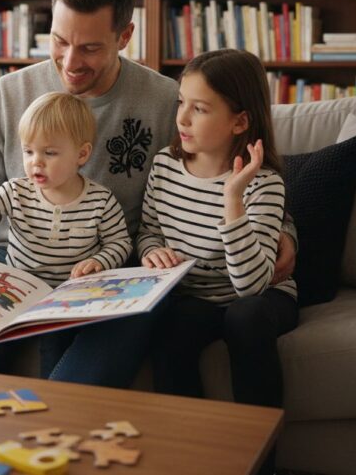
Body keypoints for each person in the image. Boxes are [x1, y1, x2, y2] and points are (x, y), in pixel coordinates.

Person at [0, 0, 296, 386]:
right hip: (17, 255)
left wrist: (283, 230)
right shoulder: (11, 94)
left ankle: (53, 427)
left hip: (114, 266)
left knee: (144, 321)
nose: (70, 62)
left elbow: (232, 165)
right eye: (60, 41)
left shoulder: (165, 101)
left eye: (89, 48)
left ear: (124, 37)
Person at [139, 49, 298, 474]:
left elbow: (251, 285)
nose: (183, 119)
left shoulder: (264, 185)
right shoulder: (165, 166)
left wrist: (232, 198)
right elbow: (149, 229)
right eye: (181, 104)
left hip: (261, 296)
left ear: (240, 121)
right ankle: (191, 457)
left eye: (200, 108)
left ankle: (261, 460)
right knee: (171, 328)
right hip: (197, 296)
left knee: (244, 317)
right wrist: (151, 250)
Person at [0, 91, 132, 282]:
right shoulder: (15, 192)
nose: (35, 162)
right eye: (28, 151)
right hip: (17, 284)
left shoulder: (101, 201)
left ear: (82, 154)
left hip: (74, 292)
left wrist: (100, 261)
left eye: (49, 153)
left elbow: (120, 243)